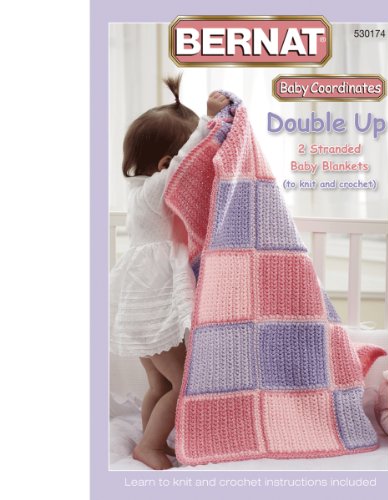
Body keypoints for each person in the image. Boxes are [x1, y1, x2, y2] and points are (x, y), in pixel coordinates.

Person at [110, 75, 230, 469]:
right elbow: (183, 163)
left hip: (138, 316)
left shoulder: (138, 193)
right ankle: (149, 445)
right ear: (164, 165)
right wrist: (207, 123)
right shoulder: (155, 190)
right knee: (183, 382)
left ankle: (153, 440)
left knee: (159, 384)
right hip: (149, 316)